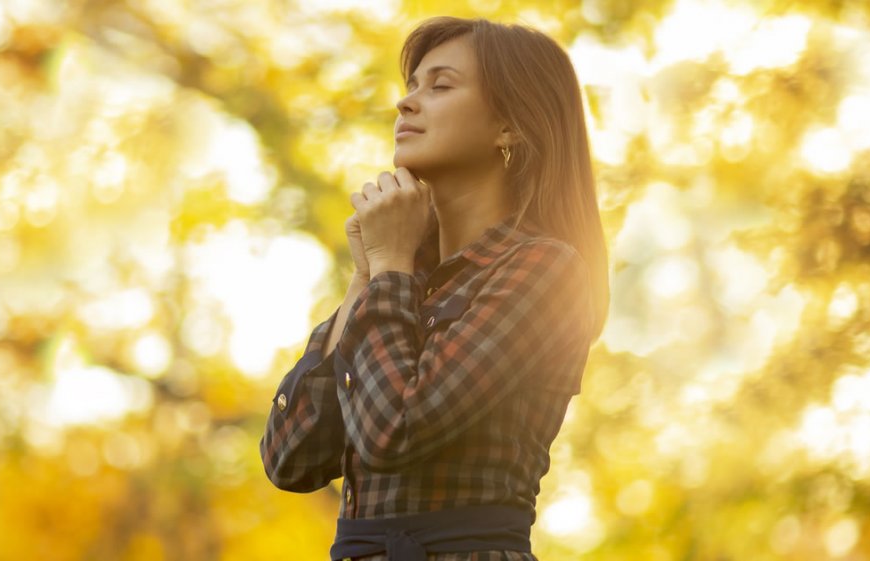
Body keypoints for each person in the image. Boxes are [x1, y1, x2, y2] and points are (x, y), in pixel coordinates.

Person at [260, 15, 610, 561]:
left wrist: (391, 263)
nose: (407, 103)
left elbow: (394, 432)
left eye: (441, 86)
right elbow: (290, 459)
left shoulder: (545, 269)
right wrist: (366, 276)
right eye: (411, 87)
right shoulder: (399, 282)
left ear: (509, 126)